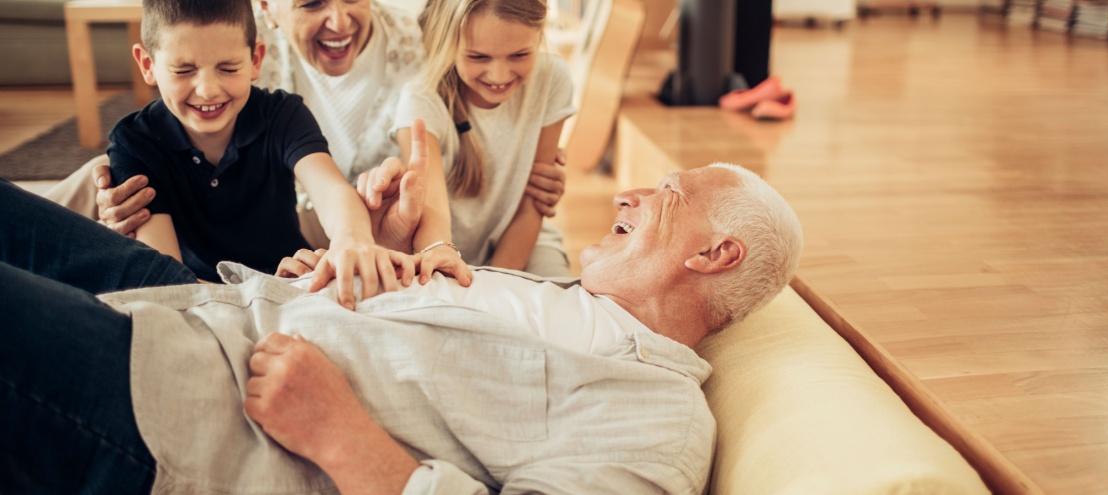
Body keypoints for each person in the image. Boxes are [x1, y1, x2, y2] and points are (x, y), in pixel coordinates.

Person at [0, 162, 804, 494]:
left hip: (195, 407)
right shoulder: (570, 296)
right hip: (211, 304)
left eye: (664, 193)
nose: (627, 195)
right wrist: (364, 266)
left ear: (713, 253)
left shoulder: (658, 418)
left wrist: (344, 436)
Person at [41, 0, 570, 259]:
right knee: (106, 175)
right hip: (287, 212)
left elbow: (483, 103)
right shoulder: (235, 56)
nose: (338, 21)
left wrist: (531, 179)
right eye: (312, 2)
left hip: (357, 217)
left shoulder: (426, 47)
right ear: (268, 9)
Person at [101, 0, 464, 309]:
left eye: (229, 69)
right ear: (147, 65)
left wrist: (352, 240)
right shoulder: (135, 141)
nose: (208, 89)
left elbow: (332, 190)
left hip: (294, 281)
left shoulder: (283, 114)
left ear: (257, 58)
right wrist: (266, 294)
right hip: (220, 295)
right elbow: (169, 284)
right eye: (183, 71)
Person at [359, 0, 574, 277]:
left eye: (519, 55)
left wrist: (498, 285)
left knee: (558, 309)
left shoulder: (553, 78)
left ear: (540, 34)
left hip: (526, 244)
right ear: (449, 44)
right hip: (436, 249)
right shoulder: (421, 98)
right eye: (478, 57)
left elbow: (534, 203)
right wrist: (443, 253)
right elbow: (431, 207)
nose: (499, 75)